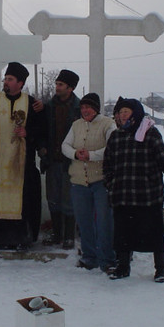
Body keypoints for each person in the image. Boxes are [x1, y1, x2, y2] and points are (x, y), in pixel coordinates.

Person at [103, 97, 164, 283]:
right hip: (123, 196)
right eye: (119, 113)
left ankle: (161, 269)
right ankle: (123, 267)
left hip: (147, 196)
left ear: (135, 113)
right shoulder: (116, 136)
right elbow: (107, 165)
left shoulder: (150, 133)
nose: (122, 116)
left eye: (126, 112)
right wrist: (111, 184)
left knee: (154, 234)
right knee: (123, 234)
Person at [0, 62, 45, 250]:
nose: (6, 82)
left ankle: (22, 238)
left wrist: (29, 133)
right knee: (2, 198)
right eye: (5, 79)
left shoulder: (32, 104)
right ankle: (3, 238)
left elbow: (41, 129)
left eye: (10, 79)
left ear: (20, 82)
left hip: (22, 162)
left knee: (23, 200)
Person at [61, 93, 117, 271]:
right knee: (84, 222)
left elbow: (112, 147)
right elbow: (65, 145)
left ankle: (107, 258)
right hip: (79, 181)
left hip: (101, 181)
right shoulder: (76, 125)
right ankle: (89, 256)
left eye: (89, 107)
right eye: (83, 107)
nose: (85, 110)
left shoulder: (108, 124)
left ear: (96, 108)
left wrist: (91, 155)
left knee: (104, 222)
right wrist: (76, 154)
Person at [39, 69, 81, 249]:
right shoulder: (48, 107)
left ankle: (69, 236)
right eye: (56, 84)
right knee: (53, 198)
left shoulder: (80, 108)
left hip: (70, 162)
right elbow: (42, 130)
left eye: (60, 85)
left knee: (68, 199)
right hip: (52, 160)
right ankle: (57, 235)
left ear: (70, 88)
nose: (57, 87)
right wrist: (41, 147)